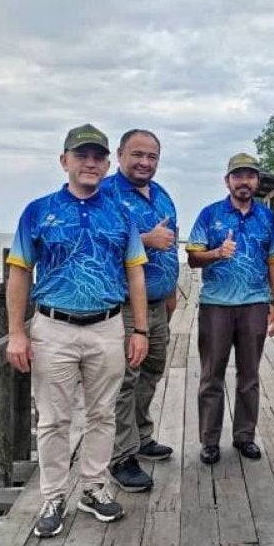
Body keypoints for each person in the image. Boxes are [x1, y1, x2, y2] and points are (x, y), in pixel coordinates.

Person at [5, 124, 150, 537]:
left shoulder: (122, 213)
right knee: (53, 419)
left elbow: (135, 273)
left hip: (107, 326)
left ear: (107, 164)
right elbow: (19, 271)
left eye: (98, 157)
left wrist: (139, 329)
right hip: (53, 328)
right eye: (82, 155)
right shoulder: (38, 211)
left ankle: (93, 487)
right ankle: (53, 495)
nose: (91, 163)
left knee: (103, 413)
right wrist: (17, 332)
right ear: (64, 160)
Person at [185, 153, 274, 464]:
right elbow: (192, 257)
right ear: (227, 181)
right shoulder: (209, 214)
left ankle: (245, 436)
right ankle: (210, 440)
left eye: (250, 176)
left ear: (257, 182)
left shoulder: (266, 218)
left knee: (250, 374)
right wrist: (216, 253)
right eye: (238, 176)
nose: (244, 182)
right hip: (216, 305)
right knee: (212, 374)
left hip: (255, 303)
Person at [100, 129, 177, 493]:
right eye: (137, 154)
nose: (145, 162)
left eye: (152, 156)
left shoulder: (162, 196)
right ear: (120, 154)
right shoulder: (106, 194)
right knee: (125, 379)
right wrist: (146, 240)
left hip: (159, 301)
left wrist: (173, 292)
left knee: (153, 369)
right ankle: (121, 455)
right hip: (127, 304)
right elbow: (96, 246)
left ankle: (142, 435)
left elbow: (172, 246)